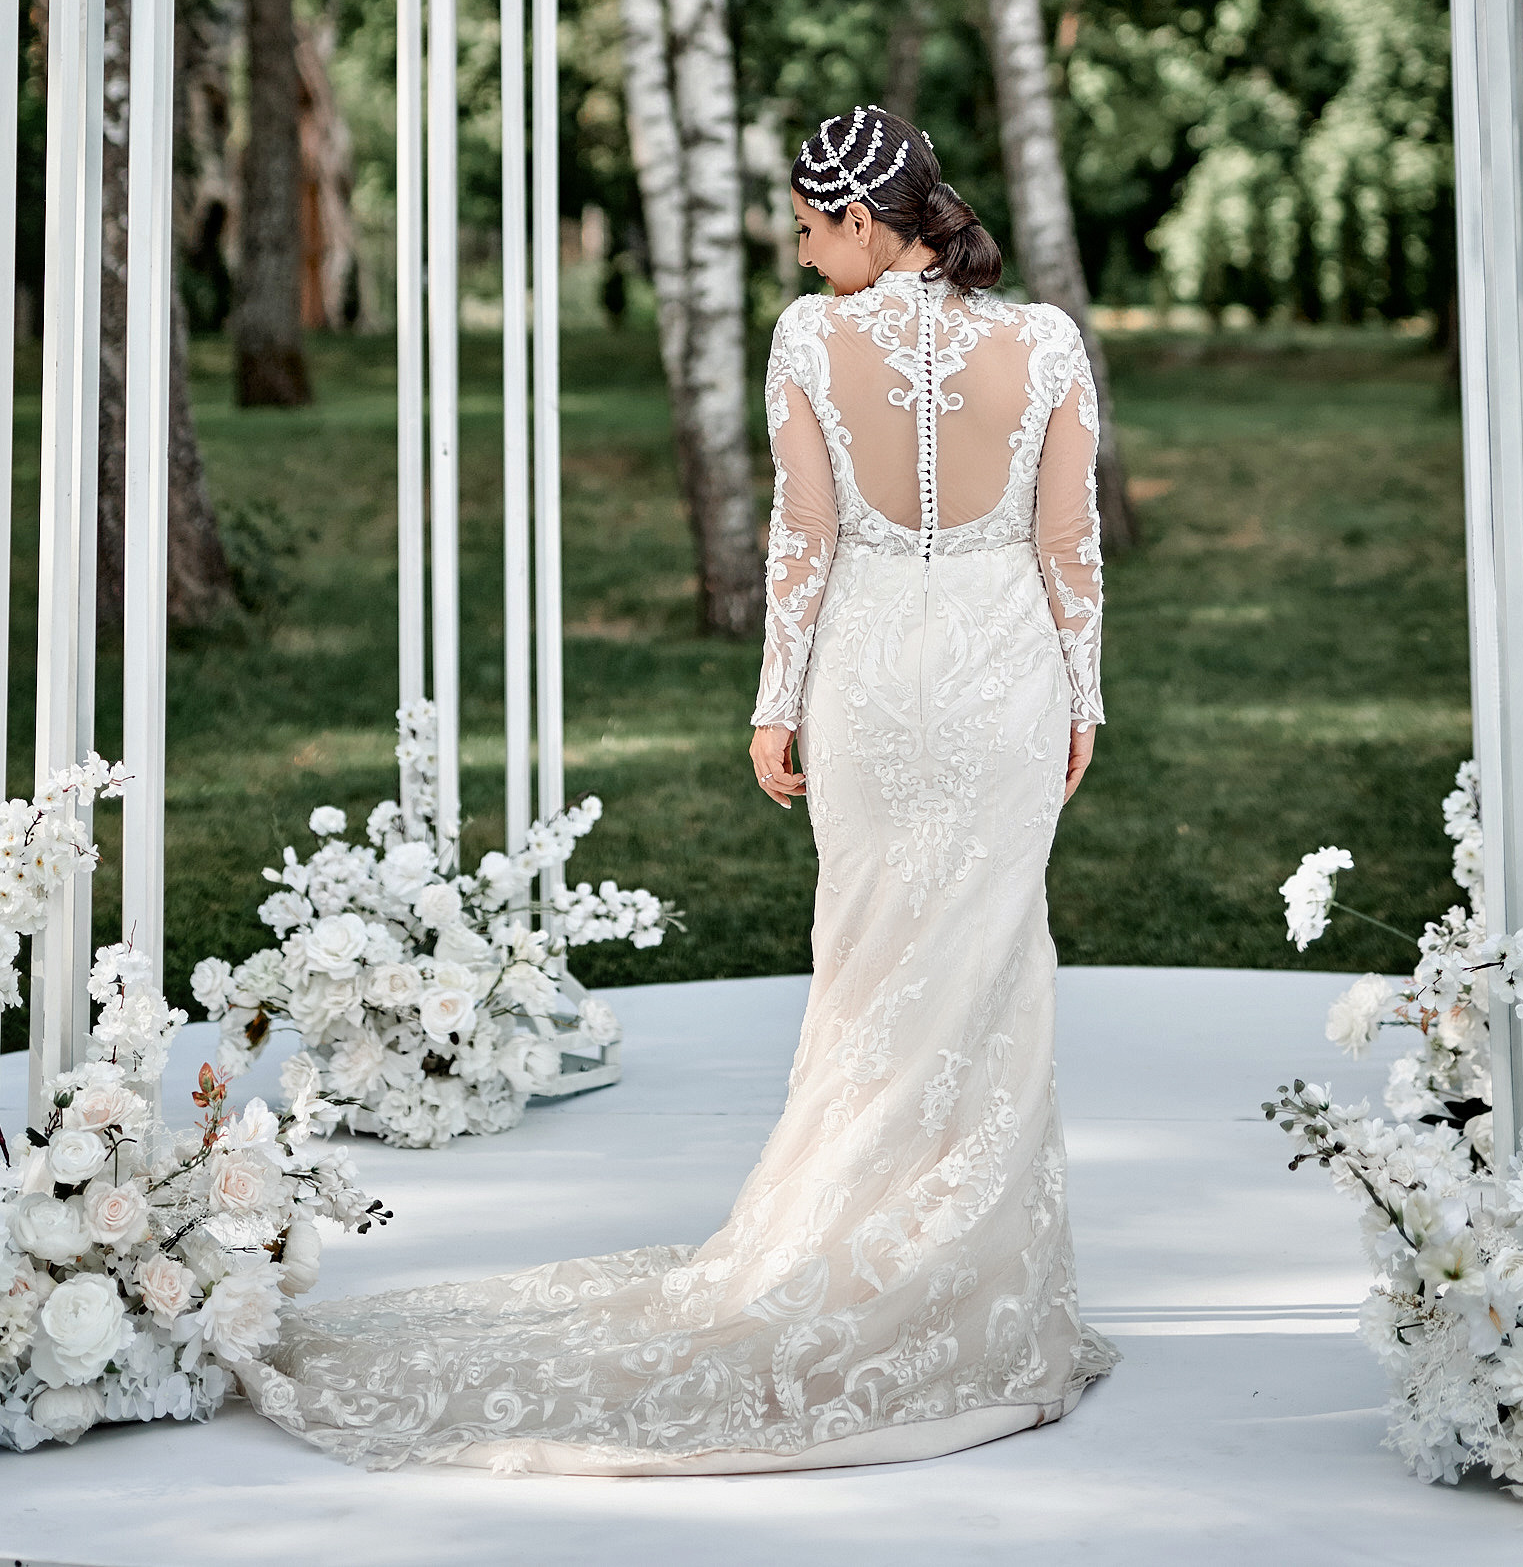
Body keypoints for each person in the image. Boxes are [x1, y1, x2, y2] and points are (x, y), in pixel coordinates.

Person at [244, 103, 1114, 1474]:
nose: (803, 247)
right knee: (991, 960)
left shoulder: (812, 344)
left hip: (876, 677)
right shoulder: (1047, 340)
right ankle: (978, 1294)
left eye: (814, 225)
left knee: (869, 958)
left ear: (873, 221)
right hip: (1003, 675)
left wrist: (777, 705)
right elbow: (1069, 545)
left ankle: (863, 1246)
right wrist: (1083, 694)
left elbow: (805, 546)